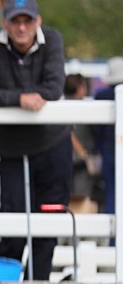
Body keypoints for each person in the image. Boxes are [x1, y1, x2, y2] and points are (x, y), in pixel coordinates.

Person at [0, 0, 70, 281]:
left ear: (38, 22)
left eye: (27, 21)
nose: (22, 27)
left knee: (48, 224)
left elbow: (54, 87)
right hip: (11, 149)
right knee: (12, 224)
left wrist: (8, 97)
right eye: (15, 21)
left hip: (52, 144)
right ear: (5, 24)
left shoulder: (52, 40)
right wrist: (18, 99)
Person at [64, 74, 100, 214]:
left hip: (63, 161)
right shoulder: (85, 108)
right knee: (83, 199)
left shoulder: (59, 105)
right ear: (80, 88)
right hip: (81, 162)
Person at [91, 56, 122, 218]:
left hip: (108, 150)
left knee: (111, 192)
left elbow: (96, 129)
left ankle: (112, 232)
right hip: (109, 148)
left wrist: (100, 147)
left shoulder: (101, 95)